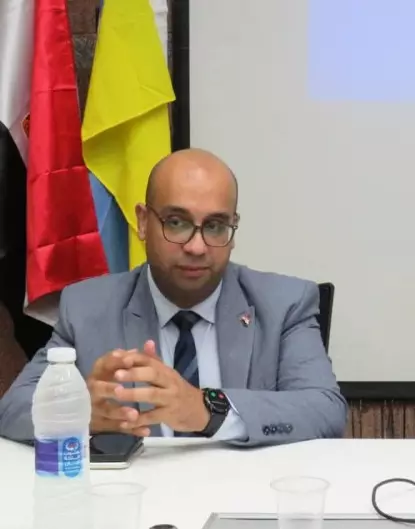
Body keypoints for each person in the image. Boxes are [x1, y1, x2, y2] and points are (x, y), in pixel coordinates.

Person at [0, 148, 347, 446]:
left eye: (215, 226)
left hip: (245, 493)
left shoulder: (284, 303)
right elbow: (13, 411)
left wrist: (207, 409)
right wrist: (79, 412)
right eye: (177, 222)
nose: (196, 247)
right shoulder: (87, 308)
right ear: (143, 222)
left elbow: (325, 410)